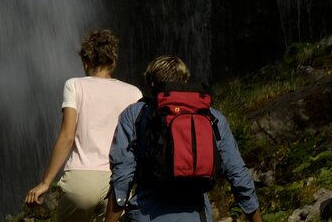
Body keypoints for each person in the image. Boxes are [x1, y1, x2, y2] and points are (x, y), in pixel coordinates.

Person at [108, 56, 263, 222]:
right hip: (197, 217)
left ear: (151, 84)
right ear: (185, 81)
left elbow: (122, 177)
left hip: (145, 216)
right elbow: (237, 173)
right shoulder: (212, 117)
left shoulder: (135, 114)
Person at [24, 30, 143, 222]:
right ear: (113, 62)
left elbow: (67, 136)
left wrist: (46, 182)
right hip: (118, 182)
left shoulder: (75, 85)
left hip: (80, 181)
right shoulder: (134, 93)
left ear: (86, 63)